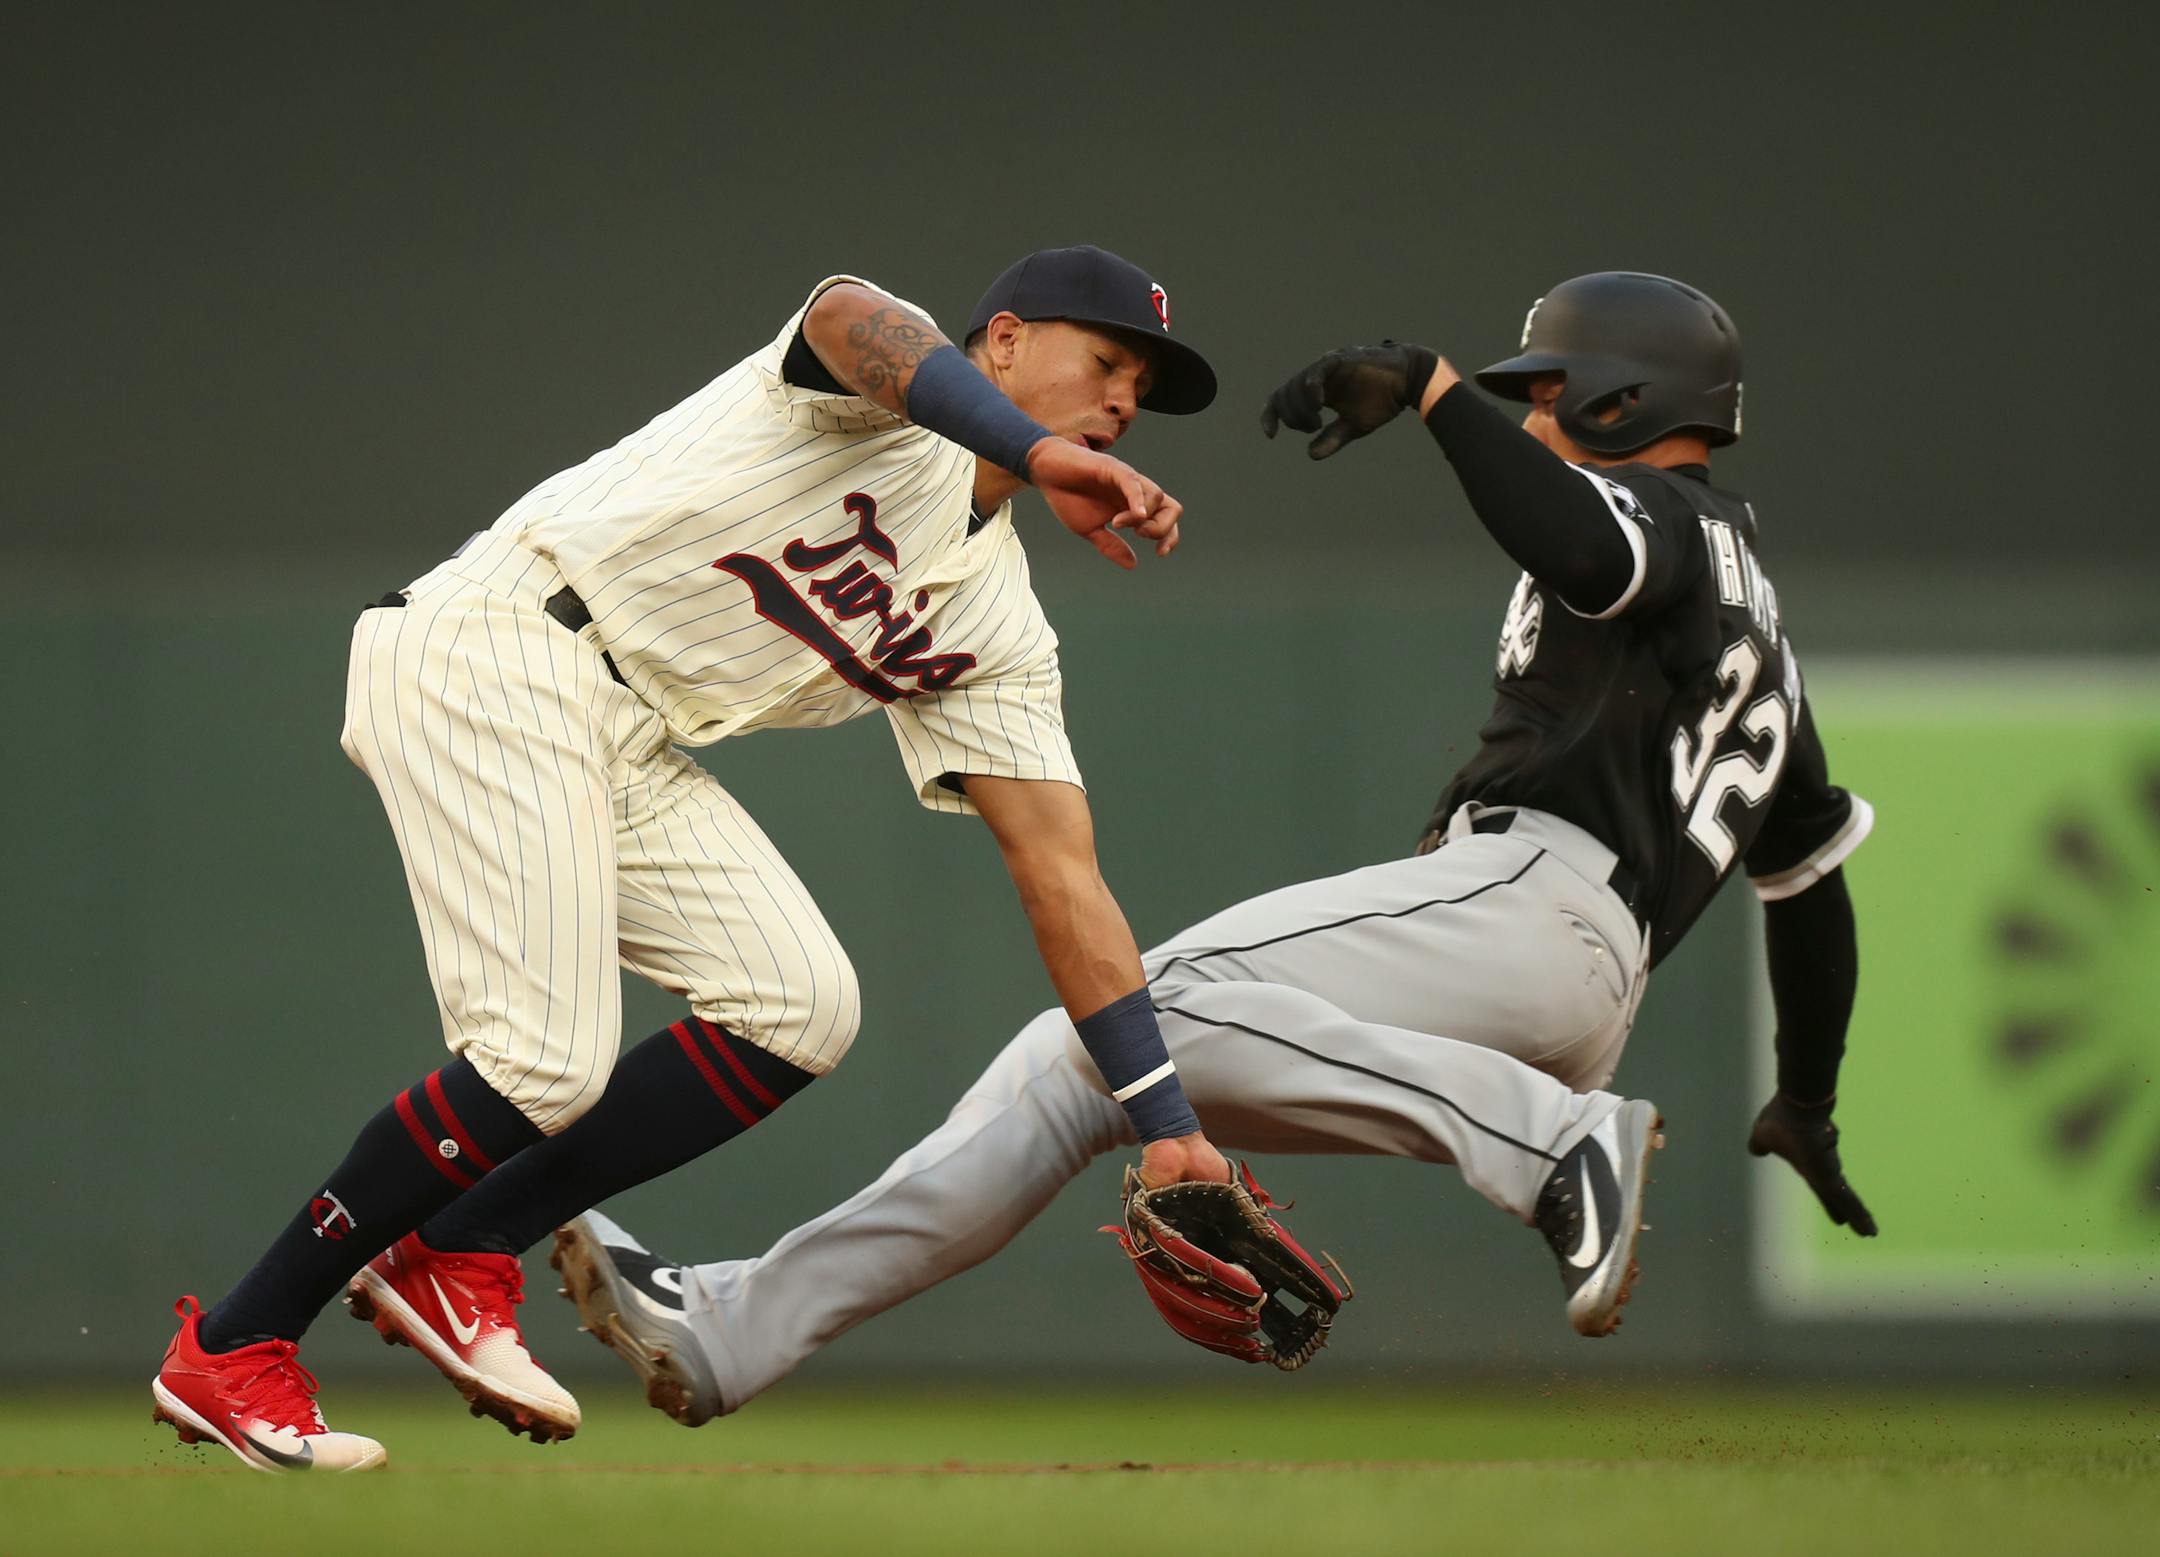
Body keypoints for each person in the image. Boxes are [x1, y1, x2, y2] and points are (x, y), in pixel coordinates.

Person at [544, 272, 1878, 1427]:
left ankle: (1546, 1149)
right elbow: (1808, 874)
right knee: (1084, 1059)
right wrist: (1804, 1101)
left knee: (1154, 1003)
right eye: (1517, 395)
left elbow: (1582, 545)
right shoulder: (1764, 636)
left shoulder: (1670, 522)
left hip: (1529, 902)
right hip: (1573, 976)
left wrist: (1432, 391)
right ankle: (735, 1327)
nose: (1531, 417)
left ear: (1621, 406)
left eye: (1550, 393)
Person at [150, 245, 1233, 1473]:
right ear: (1000, 343)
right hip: (502, 638)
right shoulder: (869, 389)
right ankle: (236, 1347)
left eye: (1141, 385)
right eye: (1105, 361)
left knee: (798, 1006)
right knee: (542, 1062)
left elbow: (1060, 872)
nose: (1125, 401)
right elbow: (848, 315)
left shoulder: (997, 621)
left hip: (628, 732)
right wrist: (1038, 451)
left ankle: (459, 1251)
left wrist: (1164, 1118)